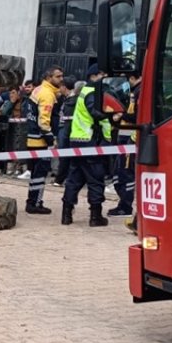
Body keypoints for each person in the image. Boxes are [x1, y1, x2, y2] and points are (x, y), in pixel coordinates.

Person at [61, 67, 122, 227]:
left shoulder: (85, 91)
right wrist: (111, 115)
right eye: (103, 74)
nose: (105, 77)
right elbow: (95, 112)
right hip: (91, 142)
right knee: (95, 179)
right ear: (93, 76)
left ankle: (66, 214)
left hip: (78, 141)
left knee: (75, 178)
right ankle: (95, 216)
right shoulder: (91, 92)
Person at [24, 66, 64, 215]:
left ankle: (32, 201)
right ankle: (35, 203)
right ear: (49, 78)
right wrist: (49, 137)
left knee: (35, 173)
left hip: (32, 138)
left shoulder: (39, 90)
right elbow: (44, 120)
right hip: (41, 140)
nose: (61, 79)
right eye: (58, 76)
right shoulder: (47, 94)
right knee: (40, 174)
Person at [109, 73, 141, 217]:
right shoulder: (134, 91)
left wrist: (122, 115)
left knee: (125, 174)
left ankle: (125, 206)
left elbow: (138, 116)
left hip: (131, 139)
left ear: (132, 78)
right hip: (125, 138)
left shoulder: (140, 91)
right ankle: (123, 204)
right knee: (119, 173)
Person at [51, 76, 81, 187]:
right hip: (64, 130)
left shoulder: (72, 101)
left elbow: (69, 119)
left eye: (60, 87)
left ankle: (60, 179)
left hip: (66, 131)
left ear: (64, 87)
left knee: (64, 156)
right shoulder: (67, 99)